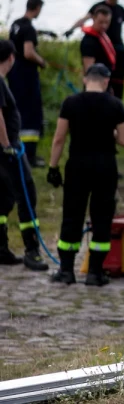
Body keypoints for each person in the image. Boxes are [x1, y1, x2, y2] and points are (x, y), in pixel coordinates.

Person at [46, 63, 124, 286]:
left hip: (77, 166)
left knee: (72, 215)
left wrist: (53, 167)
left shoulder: (70, 103)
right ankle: (95, 273)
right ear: (106, 81)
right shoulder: (116, 105)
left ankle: (66, 271)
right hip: (105, 167)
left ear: (85, 80)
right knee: (102, 217)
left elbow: (59, 139)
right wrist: (110, 132)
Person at [0, 40, 50, 271]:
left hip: (4, 150)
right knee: (26, 195)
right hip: (8, 150)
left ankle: (1, 248)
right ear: (11, 57)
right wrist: (6, 145)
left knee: (4, 197)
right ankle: (32, 251)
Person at [9, 0, 49, 167]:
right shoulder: (29, 29)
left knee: (17, 110)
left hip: (13, 72)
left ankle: (17, 149)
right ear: (37, 8)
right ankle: (30, 156)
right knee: (31, 114)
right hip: (27, 75)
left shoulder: (16, 24)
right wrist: (42, 62)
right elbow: (28, 52)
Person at [79, 5, 117, 85]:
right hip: (95, 86)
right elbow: (89, 69)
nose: (104, 26)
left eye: (107, 22)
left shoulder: (102, 36)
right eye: (100, 22)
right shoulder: (89, 41)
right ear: (93, 18)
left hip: (106, 83)